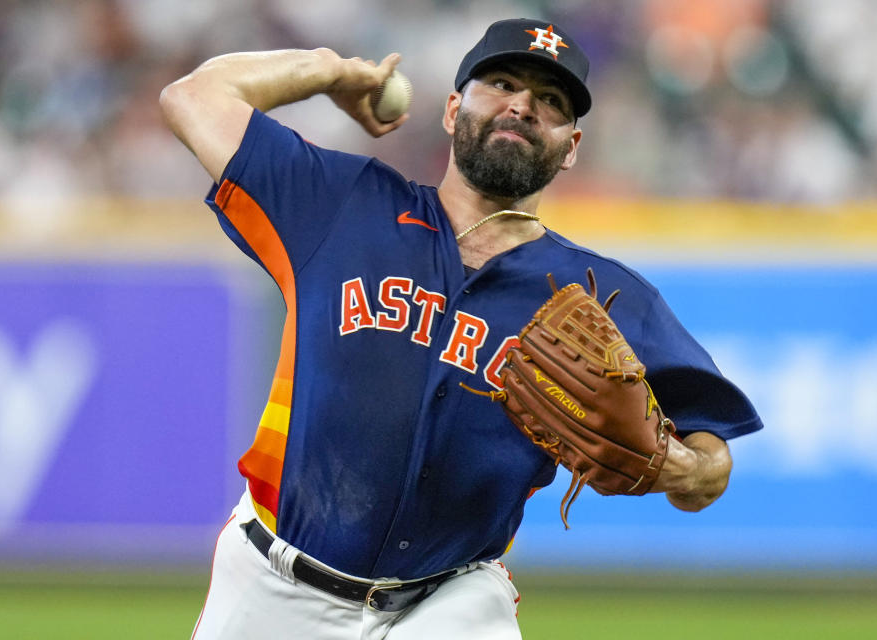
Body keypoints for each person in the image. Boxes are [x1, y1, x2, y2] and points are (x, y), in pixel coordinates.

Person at [160, 18, 762, 640]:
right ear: (453, 110)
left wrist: (686, 471)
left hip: (451, 599)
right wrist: (328, 71)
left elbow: (713, 459)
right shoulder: (340, 205)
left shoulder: (605, 295)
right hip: (272, 582)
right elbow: (192, 98)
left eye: (551, 102)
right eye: (501, 82)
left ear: (571, 146)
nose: (523, 104)